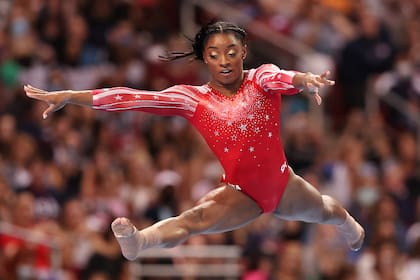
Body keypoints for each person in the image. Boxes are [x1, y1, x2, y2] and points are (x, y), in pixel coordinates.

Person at [24, 21, 365, 261]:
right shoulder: (193, 99)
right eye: (214, 54)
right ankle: (140, 241)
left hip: (283, 183)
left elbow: (282, 78)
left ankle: (352, 228)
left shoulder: (260, 78)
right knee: (194, 220)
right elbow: (132, 97)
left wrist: (304, 79)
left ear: (244, 50)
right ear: (205, 59)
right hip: (242, 193)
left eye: (231, 52)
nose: (224, 61)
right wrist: (72, 95)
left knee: (329, 211)